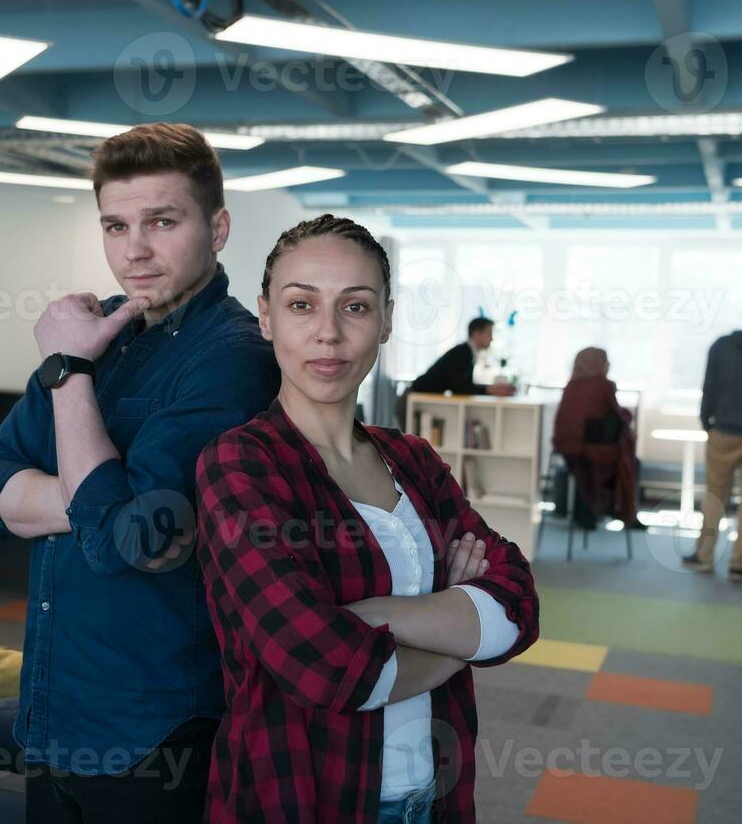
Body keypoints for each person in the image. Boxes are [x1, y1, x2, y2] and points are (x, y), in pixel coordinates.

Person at [0, 123, 280, 823]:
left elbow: (123, 542)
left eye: (161, 221)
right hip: (54, 706)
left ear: (218, 226)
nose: (133, 249)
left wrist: (69, 374)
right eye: (115, 225)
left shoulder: (232, 356)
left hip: (154, 727)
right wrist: (101, 499)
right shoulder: (93, 327)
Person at [196, 215, 538, 823]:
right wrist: (460, 638)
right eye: (302, 305)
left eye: (355, 307)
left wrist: (377, 617)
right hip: (304, 796)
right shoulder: (240, 464)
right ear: (266, 317)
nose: (328, 333)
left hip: (434, 793)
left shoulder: (412, 457)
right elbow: (328, 669)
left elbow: (516, 608)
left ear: (384, 322)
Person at [683, 296, 742, 581]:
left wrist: (707, 424)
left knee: (715, 496)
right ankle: (739, 562)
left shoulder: (722, 347)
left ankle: (704, 555)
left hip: (723, 431)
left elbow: (708, 388)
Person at [551, 348, 641, 530]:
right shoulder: (604, 385)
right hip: (590, 450)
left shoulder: (571, 385)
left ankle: (589, 511)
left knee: (593, 464)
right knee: (629, 462)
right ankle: (616, 509)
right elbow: (618, 416)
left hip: (566, 447)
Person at [409, 317, 514, 397]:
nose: (491, 338)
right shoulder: (463, 352)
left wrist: (490, 389)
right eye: (489, 333)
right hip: (414, 398)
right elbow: (459, 387)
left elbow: (464, 385)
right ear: (476, 333)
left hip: (418, 397)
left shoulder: (468, 352)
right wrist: (490, 390)